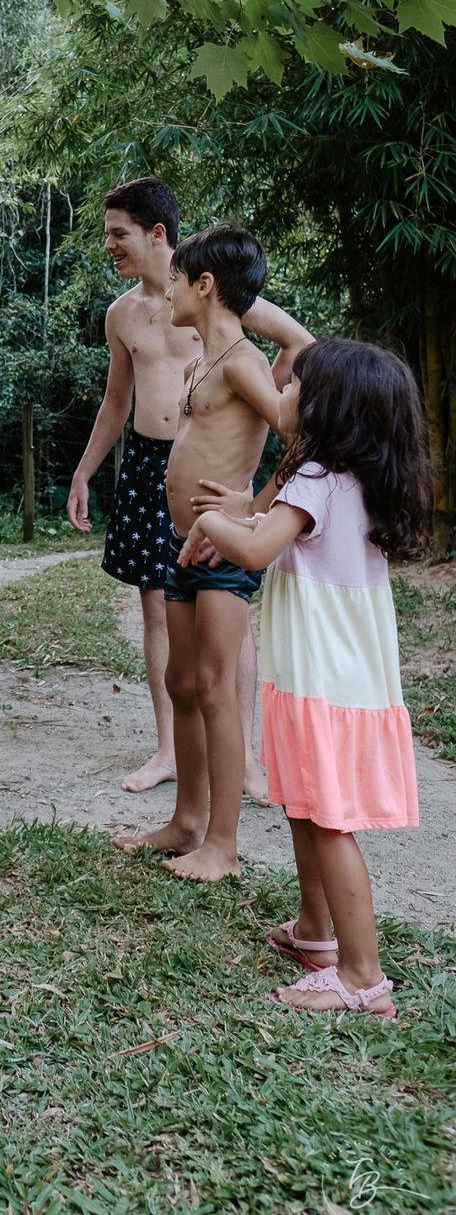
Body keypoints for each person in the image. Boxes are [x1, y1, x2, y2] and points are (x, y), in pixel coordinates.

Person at [177, 339, 428, 1013]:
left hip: (324, 684)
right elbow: (274, 529)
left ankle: (361, 978)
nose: (279, 392)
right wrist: (243, 511)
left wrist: (207, 518)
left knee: (327, 820)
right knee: (305, 805)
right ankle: (317, 935)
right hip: (329, 681)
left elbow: (258, 548)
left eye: (293, 386)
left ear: (325, 408)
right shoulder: (348, 478)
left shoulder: (316, 476)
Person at [67, 179, 312, 794]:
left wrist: (263, 404)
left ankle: (245, 756)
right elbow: (115, 401)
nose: (109, 245)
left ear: (156, 234)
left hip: (218, 473)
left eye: (117, 233)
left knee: (225, 612)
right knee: (159, 601)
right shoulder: (122, 313)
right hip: (150, 462)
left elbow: (298, 346)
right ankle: (169, 751)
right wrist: (84, 472)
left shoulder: (218, 298)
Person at [114, 225, 284, 881]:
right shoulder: (199, 364)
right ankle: (186, 822)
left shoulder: (243, 360)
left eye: (179, 279)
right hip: (184, 541)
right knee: (184, 684)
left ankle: (222, 844)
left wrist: (252, 504)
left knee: (214, 687)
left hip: (225, 550)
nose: (170, 290)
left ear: (205, 286)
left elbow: (295, 435)